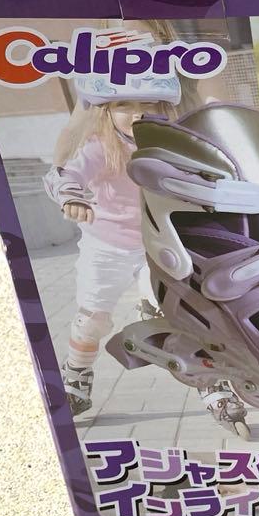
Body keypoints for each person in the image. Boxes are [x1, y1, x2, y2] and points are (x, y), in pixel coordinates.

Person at [44, 27, 182, 418]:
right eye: (123, 105)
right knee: (93, 318)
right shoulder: (100, 147)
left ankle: (212, 381)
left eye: (148, 104)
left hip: (157, 243)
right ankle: (77, 375)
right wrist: (72, 197)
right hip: (107, 244)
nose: (137, 113)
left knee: (174, 309)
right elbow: (69, 173)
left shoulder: (171, 143)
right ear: (105, 110)